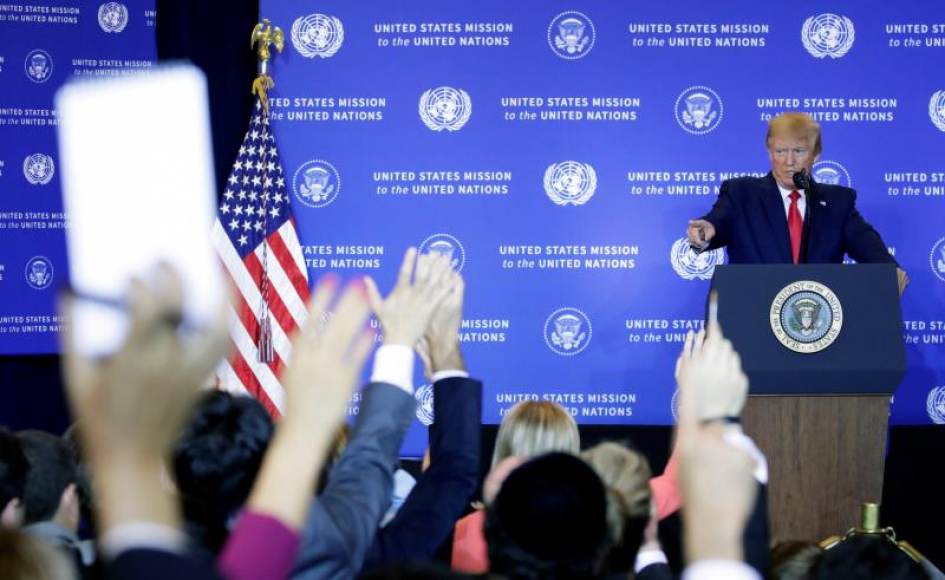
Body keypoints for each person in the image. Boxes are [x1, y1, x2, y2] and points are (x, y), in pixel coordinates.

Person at [686, 112, 908, 294]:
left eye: (799, 151)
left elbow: (871, 251)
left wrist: (891, 274)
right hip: (752, 317)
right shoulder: (741, 193)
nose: (789, 161)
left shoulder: (837, 203)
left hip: (815, 323)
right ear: (769, 152)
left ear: (816, 155)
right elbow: (718, 223)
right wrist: (706, 231)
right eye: (780, 151)